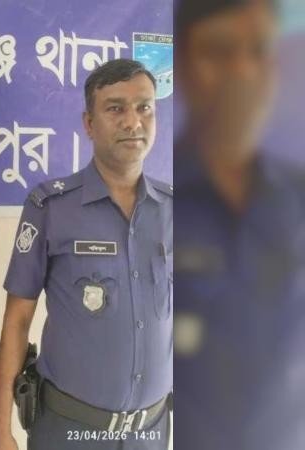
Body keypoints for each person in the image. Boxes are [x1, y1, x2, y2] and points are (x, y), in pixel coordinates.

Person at [0, 59, 172, 450]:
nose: (133, 121)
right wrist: (0, 430)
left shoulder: (176, 211)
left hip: (151, 433)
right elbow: (17, 321)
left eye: (144, 107)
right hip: (69, 431)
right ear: (89, 124)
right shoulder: (51, 207)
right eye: (115, 108)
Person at [174, 1, 305, 448]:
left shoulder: (297, 197)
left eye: (259, 50)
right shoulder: (154, 199)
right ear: (182, 65)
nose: (243, 72)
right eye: (219, 51)